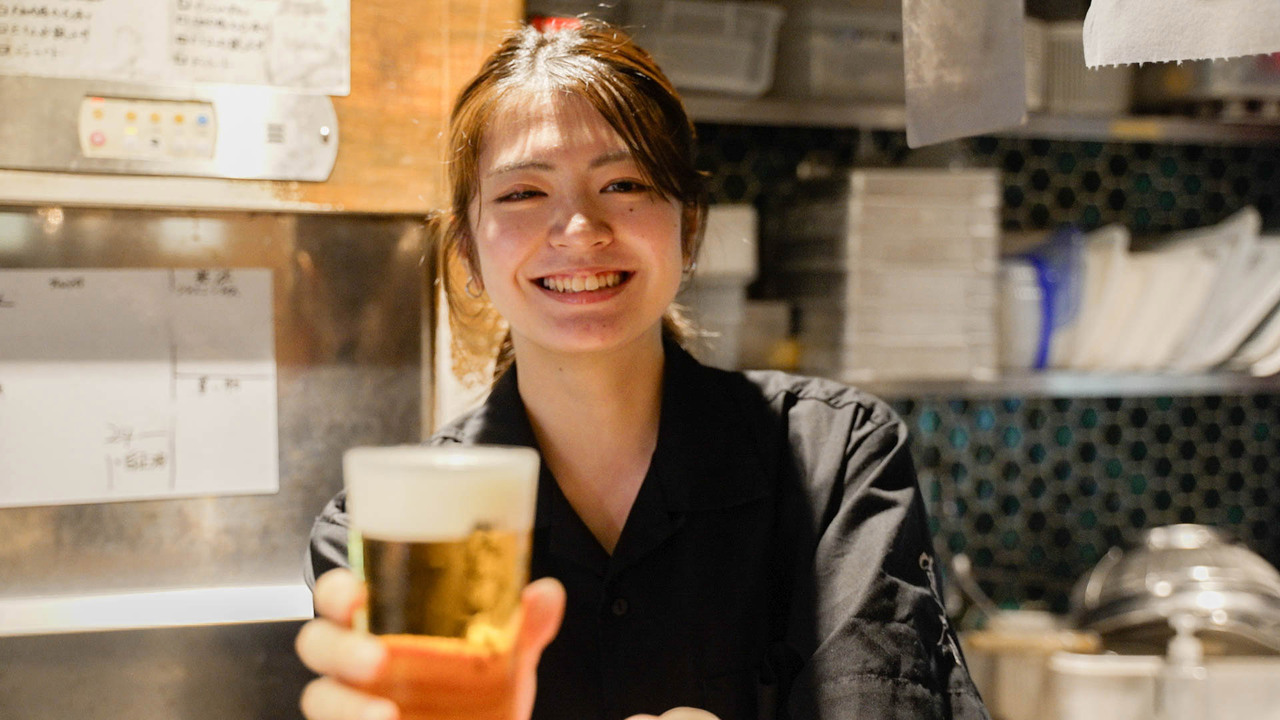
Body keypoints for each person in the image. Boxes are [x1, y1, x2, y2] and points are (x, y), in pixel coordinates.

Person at [296, 19, 990, 720]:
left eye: (624, 182)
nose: (579, 230)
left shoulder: (835, 458)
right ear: (470, 254)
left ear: (688, 227)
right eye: (522, 193)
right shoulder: (393, 531)